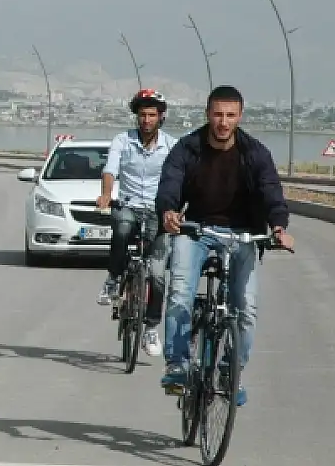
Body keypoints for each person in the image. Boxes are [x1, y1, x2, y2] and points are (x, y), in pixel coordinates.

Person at [155, 85, 295, 406]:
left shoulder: (254, 153)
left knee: (245, 308)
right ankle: (177, 363)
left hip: (242, 234)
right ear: (208, 114)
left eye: (230, 115)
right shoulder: (188, 148)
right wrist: (168, 211)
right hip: (196, 230)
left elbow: (271, 190)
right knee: (179, 293)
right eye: (218, 114)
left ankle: (231, 371)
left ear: (240, 117)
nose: (223, 121)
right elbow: (170, 182)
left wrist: (278, 227)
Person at [95, 88, 176, 358]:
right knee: (122, 227)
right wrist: (107, 194)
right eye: (142, 115)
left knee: (157, 274)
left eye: (152, 115)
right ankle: (113, 278)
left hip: (158, 211)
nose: (146, 120)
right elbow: (110, 170)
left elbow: (178, 179)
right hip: (128, 204)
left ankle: (151, 327)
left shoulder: (171, 146)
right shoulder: (123, 140)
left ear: (161, 117)